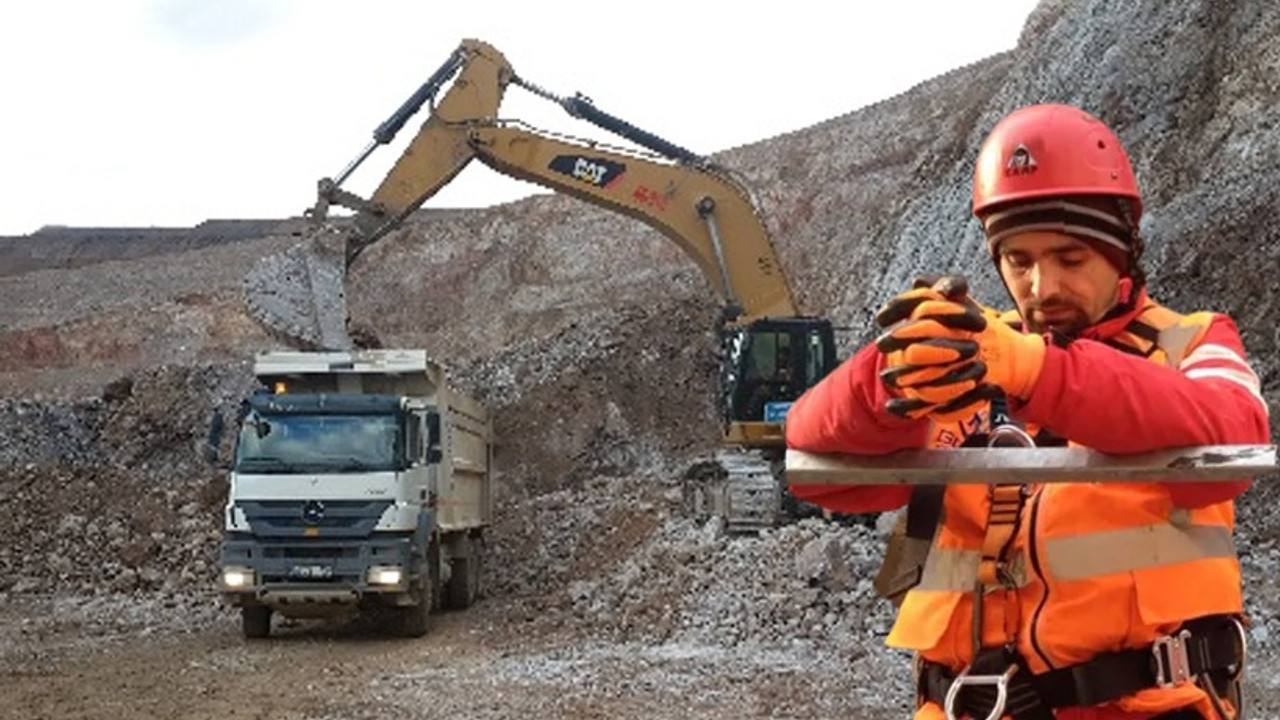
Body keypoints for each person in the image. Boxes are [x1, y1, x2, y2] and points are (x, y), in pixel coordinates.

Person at [785, 103, 1270, 720]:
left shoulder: (1193, 341)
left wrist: (1036, 369)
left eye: (1070, 259)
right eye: (1018, 261)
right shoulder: (967, 352)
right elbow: (812, 462)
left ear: (1121, 252)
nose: (1042, 287)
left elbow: (1233, 444)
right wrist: (890, 377)